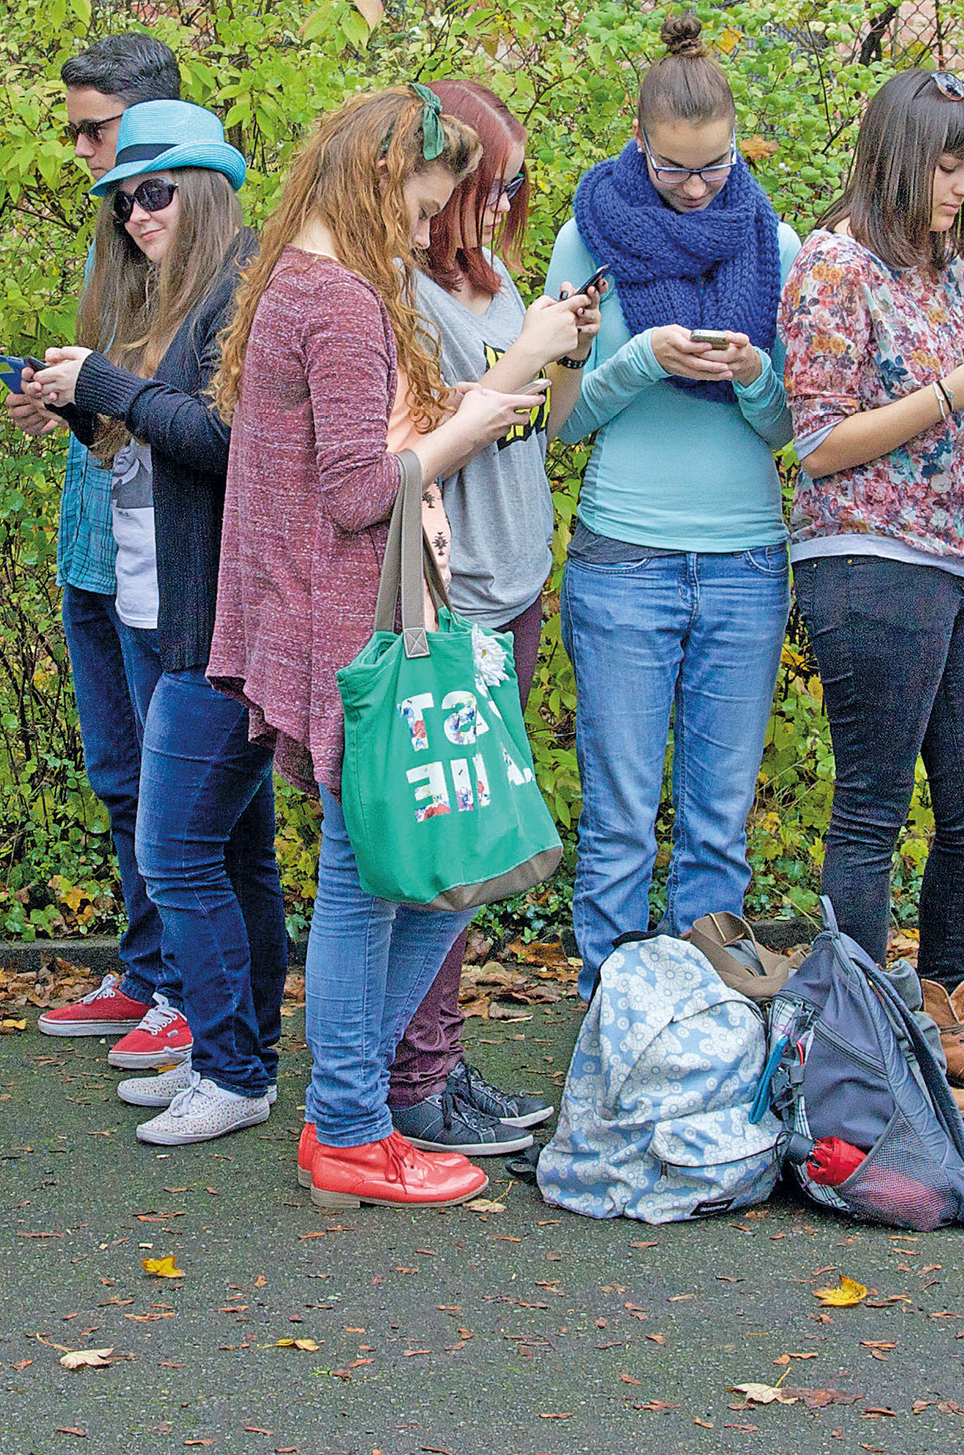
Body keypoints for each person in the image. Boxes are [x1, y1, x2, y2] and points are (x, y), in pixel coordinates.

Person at [209, 87, 534, 1208]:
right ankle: (346, 1125)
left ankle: (345, 1118)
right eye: (419, 201)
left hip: (320, 617)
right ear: (377, 177)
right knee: (374, 883)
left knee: (412, 878)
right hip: (354, 625)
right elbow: (356, 489)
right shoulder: (340, 301)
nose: (423, 226)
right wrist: (470, 426)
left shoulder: (294, 281)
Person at [780, 69, 964, 1117]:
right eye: (947, 164)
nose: (963, 185)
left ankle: (941, 1011)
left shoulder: (949, 272)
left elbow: (950, 420)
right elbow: (817, 444)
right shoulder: (831, 265)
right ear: (896, 156)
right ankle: (861, 1045)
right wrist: (949, 394)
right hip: (867, 558)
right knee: (874, 808)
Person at [548, 14, 799, 999]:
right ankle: (611, 1009)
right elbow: (562, 419)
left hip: (745, 561)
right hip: (624, 559)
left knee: (716, 813)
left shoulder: (769, 238)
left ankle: (704, 1011)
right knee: (617, 813)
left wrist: (748, 372)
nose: (696, 188)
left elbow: (784, 429)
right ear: (637, 139)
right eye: (672, 170)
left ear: (737, 141)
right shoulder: (587, 235)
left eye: (712, 167)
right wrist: (641, 360)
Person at [30, 101, 262, 1143]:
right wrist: (84, 404)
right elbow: (140, 450)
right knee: (232, 851)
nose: (134, 214)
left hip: (215, 620)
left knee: (175, 852)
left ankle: (229, 1065)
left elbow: (225, 440)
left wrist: (108, 379)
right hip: (160, 607)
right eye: (124, 200)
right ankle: (237, 1055)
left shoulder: (238, 293)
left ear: (205, 189)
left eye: (154, 192)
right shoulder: (166, 296)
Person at [381, 79, 588, 1156]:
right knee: (443, 848)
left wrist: (567, 353)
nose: (500, 205)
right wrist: (523, 354)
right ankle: (411, 1082)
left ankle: (437, 1063)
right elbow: (417, 439)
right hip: (446, 594)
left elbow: (529, 429)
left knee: (481, 843)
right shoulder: (393, 290)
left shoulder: (500, 278)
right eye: (486, 186)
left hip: (516, 576)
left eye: (510, 186)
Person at [35, 33, 199, 1064]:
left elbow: (192, 418)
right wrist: (60, 398)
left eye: (96, 130)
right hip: (94, 540)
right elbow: (114, 407)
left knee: (176, 779)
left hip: (163, 560)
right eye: (79, 135)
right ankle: (147, 971)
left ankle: (189, 986)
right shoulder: (115, 238)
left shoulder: (205, 254)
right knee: (119, 768)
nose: (87, 154)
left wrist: (101, 388)